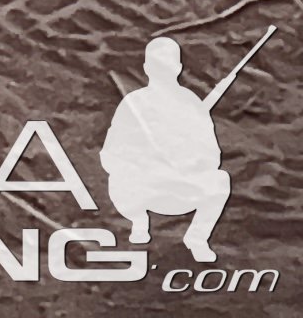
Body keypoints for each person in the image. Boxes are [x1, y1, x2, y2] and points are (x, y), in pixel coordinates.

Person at [102, 35, 238, 262]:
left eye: (168, 63)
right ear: (147, 68)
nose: (163, 68)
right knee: (119, 178)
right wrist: (141, 162)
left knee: (219, 180)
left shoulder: (191, 104)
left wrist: (190, 159)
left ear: (178, 67)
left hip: (180, 187)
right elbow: (111, 153)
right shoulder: (133, 103)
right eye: (157, 63)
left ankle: (197, 237)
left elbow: (212, 155)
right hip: (142, 187)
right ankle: (138, 222)